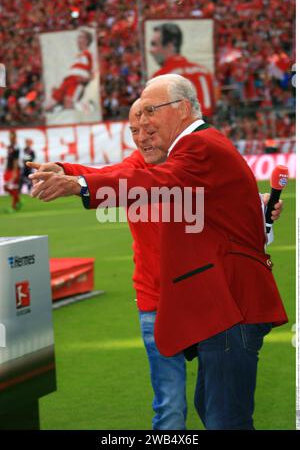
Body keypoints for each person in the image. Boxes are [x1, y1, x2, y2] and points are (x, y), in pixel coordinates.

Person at [29, 77, 286, 430]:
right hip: (209, 305)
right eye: (138, 120)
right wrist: (72, 174)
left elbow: (149, 181)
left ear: (181, 108)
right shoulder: (194, 149)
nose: (144, 125)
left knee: (223, 417)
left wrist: (78, 184)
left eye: (151, 110)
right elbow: (126, 174)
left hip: (230, 304)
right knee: (209, 409)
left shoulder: (197, 148)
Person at [150, 23, 215, 117]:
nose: (151, 50)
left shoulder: (160, 77)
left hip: (183, 128)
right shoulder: (204, 71)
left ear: (170, 46)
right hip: (207, 126)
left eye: (154, 44)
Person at [45, 28, 94, 112]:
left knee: (68, 103)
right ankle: (61, 107)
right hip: (66, 81)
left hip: (75, 81)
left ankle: (88, 107)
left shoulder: (88, 54)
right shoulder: (77, 57)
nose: (78, 40)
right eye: (78, 37)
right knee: (49, 106)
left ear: (86, 40)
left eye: (81, 37)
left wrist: (85, 79)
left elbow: (92, 73)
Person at [3, 131, 21, 212]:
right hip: (8, 169)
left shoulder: (16, 147)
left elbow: (15, 160)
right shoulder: (10, 146)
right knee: (6, 187)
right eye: (10, 136)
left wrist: (14, 172)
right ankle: (18, 200)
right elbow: (9, 158)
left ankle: (13, 207)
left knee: (12, 187)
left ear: (15, 137)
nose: (11, 138)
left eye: (12, 137)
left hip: (14, 169)